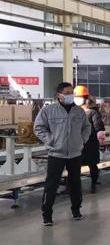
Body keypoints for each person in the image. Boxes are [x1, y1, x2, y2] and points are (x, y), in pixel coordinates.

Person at [34, 82, 91, 226]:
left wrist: (81, 140)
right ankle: (47, 215)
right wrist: (51, 140)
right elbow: (39, 128)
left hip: (75, 153)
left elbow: (87, 127)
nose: (71, 95)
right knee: (51, 185)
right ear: (59, 95)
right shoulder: (48, 111)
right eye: (67, 93)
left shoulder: (79, 111)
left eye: (72, 92)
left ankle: (76, 210)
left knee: (75, 183)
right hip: (56, 154)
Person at [74, 86, 105, 194]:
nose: (77, 99)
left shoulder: (92, 112)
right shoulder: (73, 111)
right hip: (76, 144)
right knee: (73, 166)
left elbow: (98, 126)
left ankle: (93, 184)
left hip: (90, 144)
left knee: (92, 164)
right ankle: (72, 187)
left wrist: (100, 136)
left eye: (80, 97)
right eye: (76, 97)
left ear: (86, 98)